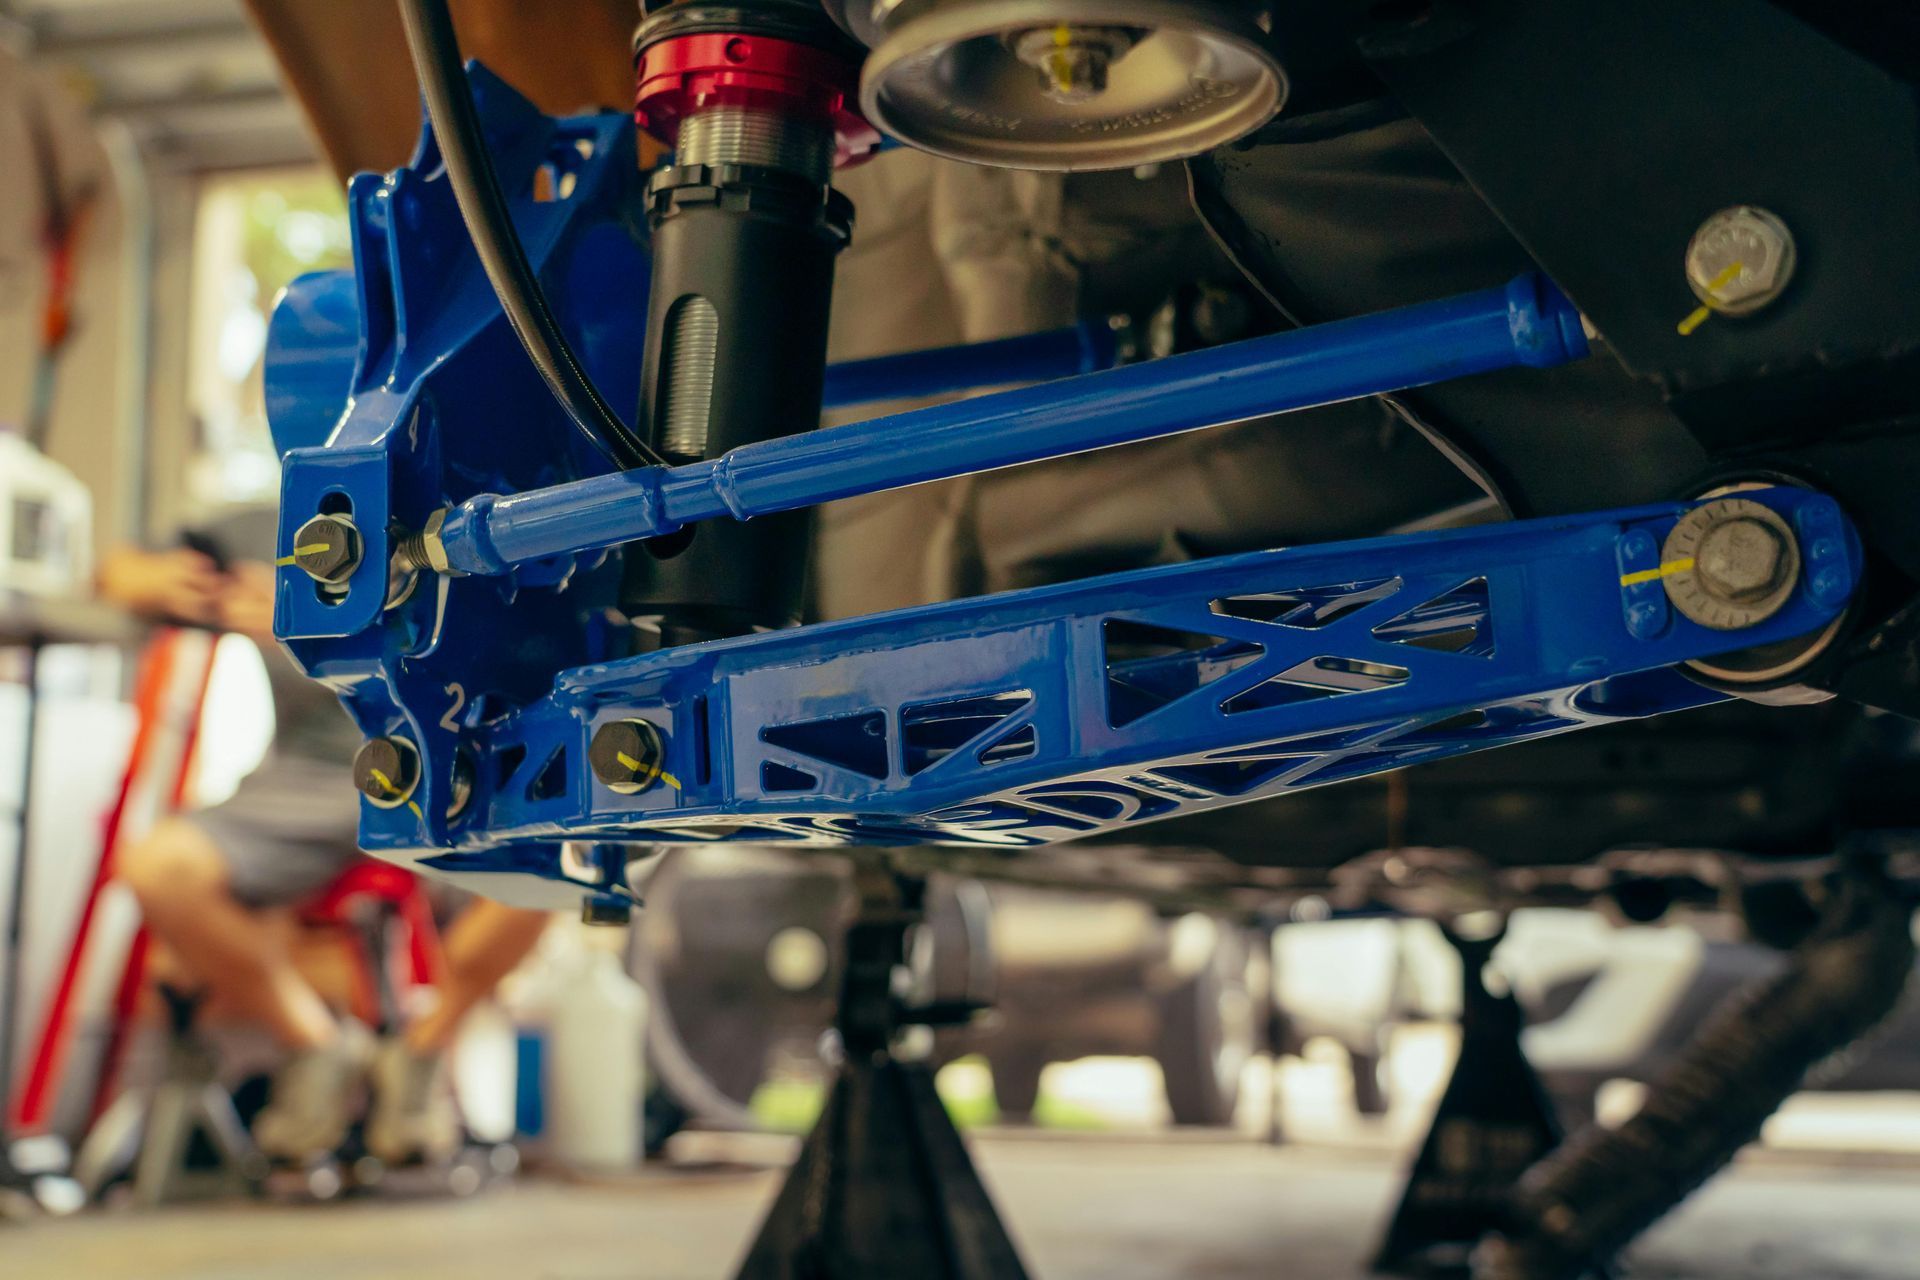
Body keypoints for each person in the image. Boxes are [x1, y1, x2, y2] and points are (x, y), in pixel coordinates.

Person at [100, 507, 550, 1166]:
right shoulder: (268, 518)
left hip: (450, 759)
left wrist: (310, 620)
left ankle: (421, 1048)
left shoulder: (472, 501)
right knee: (160, 868)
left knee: (558, 864)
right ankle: (313, 1044)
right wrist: (144, 581)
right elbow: (119, 567)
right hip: (305, 779)